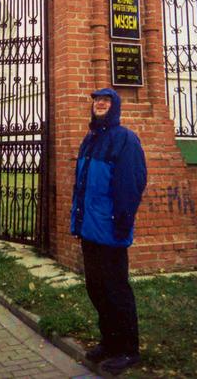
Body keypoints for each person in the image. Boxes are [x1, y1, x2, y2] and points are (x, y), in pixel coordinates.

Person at [70, 88, 147, 376]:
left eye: (106, 101)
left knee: (116, 289)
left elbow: (132, 182)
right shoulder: (89, 140)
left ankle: (128, 349)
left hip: (111, 227)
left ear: (114, 107)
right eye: (97, 101)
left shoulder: (124, 139)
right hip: (89, 227)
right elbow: (81, 185)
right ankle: (110, 341)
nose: (100, 103)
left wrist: (122, 221)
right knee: (96, 287)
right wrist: (77, 221)